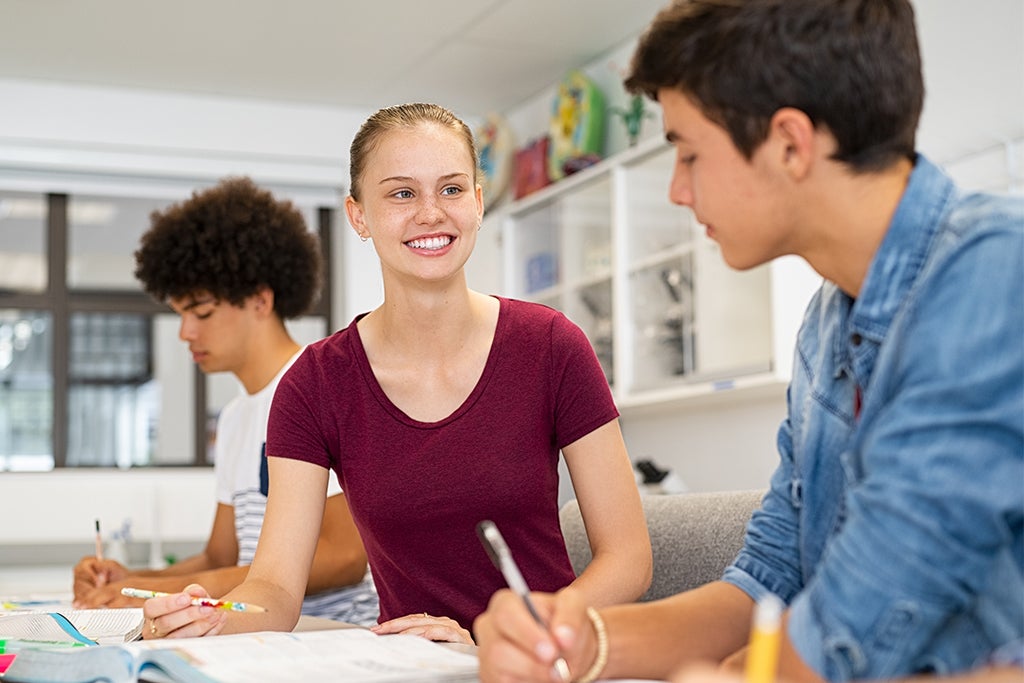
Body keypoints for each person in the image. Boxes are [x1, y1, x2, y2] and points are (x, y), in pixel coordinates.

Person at [475, 0, 1023, 681]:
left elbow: (858, 621)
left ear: (790, 143)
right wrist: (578, 639)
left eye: (688, 153)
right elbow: (769, 579)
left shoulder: (996, 274)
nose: (676, 190)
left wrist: (740, 674)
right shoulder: (828, 323)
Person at [135, 103, 653, 645]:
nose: (431, 213)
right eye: (402, 193)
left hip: (544, 661)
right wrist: (210, 616)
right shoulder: (315, 384)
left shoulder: (551, 345)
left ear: (477, 204)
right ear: (358, 216)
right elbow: (276, 589)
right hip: (412, 667)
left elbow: (628, 558)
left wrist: (502, 637)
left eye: (451, 189)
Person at [71, 176, 379, 627]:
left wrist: (158, 591)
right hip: (258, 633)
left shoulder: (321, 386)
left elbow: (343, 557)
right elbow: (221, 555)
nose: (185, 333)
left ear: (260, 300)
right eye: (181, 316)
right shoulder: (235, 418)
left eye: (202, 312)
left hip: (335, 635)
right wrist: (130, 579)